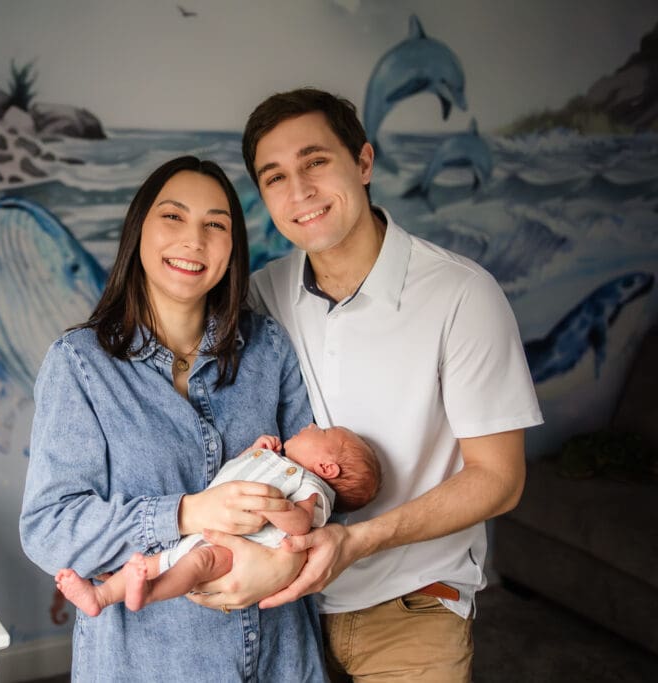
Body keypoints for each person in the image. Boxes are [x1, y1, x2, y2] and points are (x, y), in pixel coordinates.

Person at [184, 88, 544, 682]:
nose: (298, 191)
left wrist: (356, 543)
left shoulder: (461, 296)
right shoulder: (260, 295)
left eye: (316, 162)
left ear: (365, 162)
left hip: (412, 605)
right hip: (282, 612)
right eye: (275, 177)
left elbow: (499, 480)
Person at [19, 155, 329, 681]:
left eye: (216, 224)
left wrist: (284, 560)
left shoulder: (268, 349)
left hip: (281, 658)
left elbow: (318, 483)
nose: (194, 240)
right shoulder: (79, 364)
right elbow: (49, 529)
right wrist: (185, 514)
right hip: (146, 664)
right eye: (173, 217)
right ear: (138, 229)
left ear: (232, 247)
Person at [54, 423, 381, 617]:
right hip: (207, 530)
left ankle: (150, 593)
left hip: (237, 549)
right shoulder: (275, 458)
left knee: (196, 562)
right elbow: (235, 472)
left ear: (327, 469)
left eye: (321, 431)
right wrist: (255, 450)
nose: (310, 425)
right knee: (151, 562)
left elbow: (300, 525)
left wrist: (271, 507)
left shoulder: (311, 489)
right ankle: (100, 597)